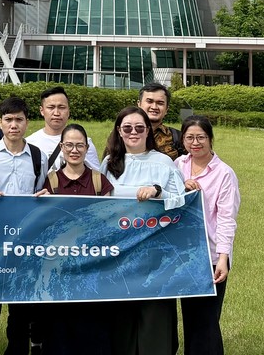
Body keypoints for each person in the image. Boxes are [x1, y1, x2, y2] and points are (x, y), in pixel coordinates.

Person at [100, 106, 186, 355]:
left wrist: (158, 191)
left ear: (148, 130)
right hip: (120, 250)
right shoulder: (109, 163)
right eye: (127, 128)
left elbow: (182, 202)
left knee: (154, 318)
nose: (133, 132)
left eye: (139, 127)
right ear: (119, 131)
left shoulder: (164, 162)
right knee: (121, 317)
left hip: (155, 251)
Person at [0, 97, 47, 355]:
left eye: (19, 119)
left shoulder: (39, 156)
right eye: (8, 120)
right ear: (0, 122)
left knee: (21, 308)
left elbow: (39, 196)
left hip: (24, 242)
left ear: (27, 122)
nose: (14, 125)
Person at [37, 123, 113, 355]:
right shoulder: (52, 182)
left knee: (91, 324)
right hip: (60, 267)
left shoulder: (100, 181)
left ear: (87, 147)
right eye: (69, 144)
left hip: (92, 266)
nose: (74, 149)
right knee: (59, 326)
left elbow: (108, 222)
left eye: (80, 145)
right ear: (61, 147)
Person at [176, 115, 241, 355]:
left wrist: (223, 257)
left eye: (201, 137)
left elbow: (226, 218)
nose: (195, 143)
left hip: (211, 255)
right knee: (190, 316)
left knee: (206, 321)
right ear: (183, 140)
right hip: (183, 253)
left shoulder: (224, 174)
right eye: (190, 137)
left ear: (210, 139)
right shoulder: (178, 166)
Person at [26, 85, 101, 172]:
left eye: (62, 107)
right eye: (51, 107)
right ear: (42, 110)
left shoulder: (84, 143)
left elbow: (96, 177)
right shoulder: (29, 143)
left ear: (68, 110)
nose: (56, 113)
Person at [138, 82, 183, 160]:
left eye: (160, 103)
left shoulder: (178, 137)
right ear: (139, 104)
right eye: (149, 101)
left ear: (166, 109)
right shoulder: (126, 134)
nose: (154, 107)